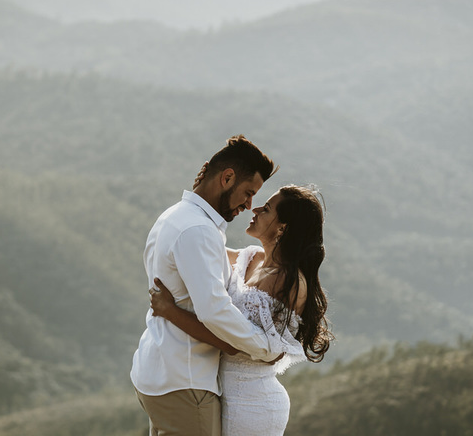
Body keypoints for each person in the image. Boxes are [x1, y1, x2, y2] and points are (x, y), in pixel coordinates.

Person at [150, 184, 333, 436]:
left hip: (253, 404)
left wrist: (171, 312)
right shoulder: (251, 258)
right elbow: (201, 246)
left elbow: (232, 341)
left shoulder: (288, 282)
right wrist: (196, 206)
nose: (255, 208)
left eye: (266, 209)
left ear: (282, 228)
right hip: (220, 393)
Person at [130, 135, 280, 436]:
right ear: (227, 178)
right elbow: (215, 312)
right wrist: (264, 348)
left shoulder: (173, 216)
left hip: (161, 372)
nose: (249, 205)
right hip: (185, 380)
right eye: (248, 192)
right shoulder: (198, 230)